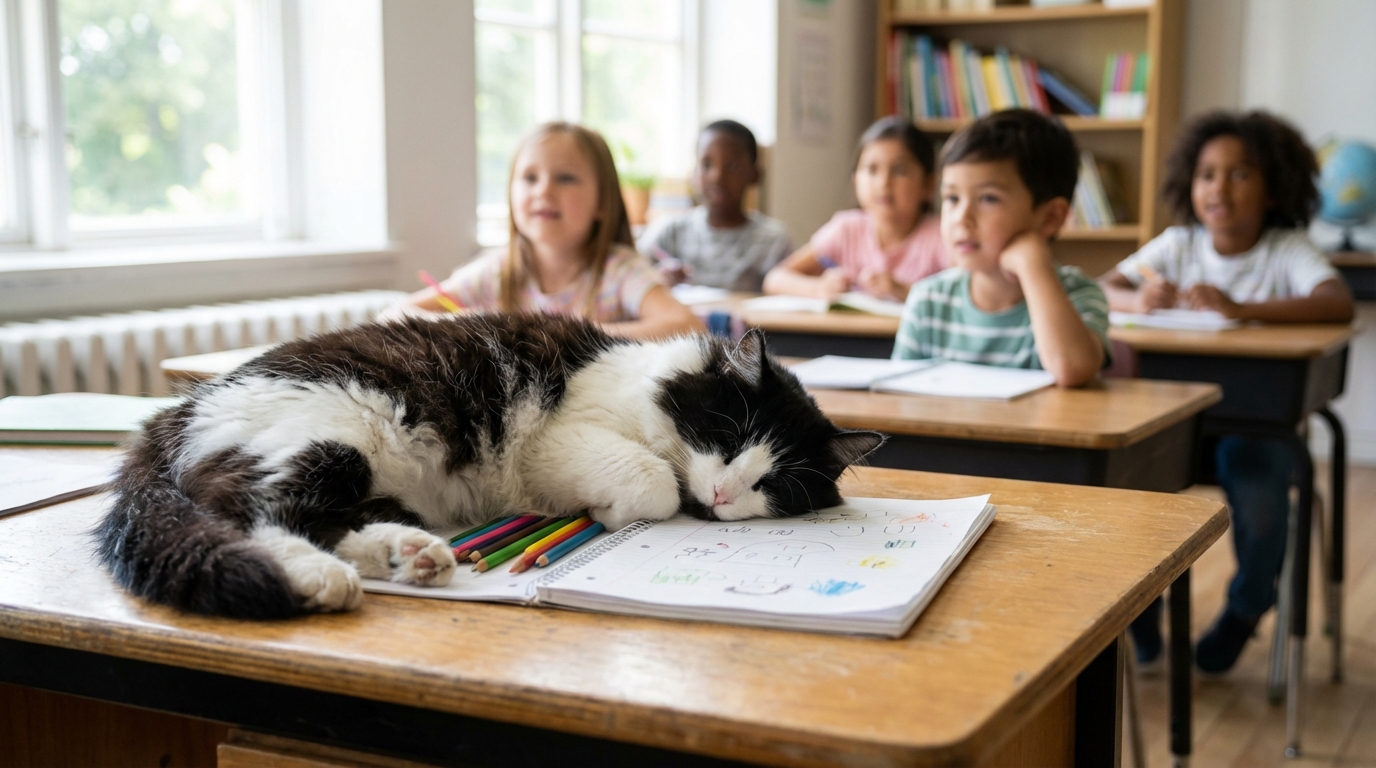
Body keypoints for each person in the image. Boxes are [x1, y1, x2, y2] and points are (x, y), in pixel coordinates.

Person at [1100, 110, 1354, 674]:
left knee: (1262, 512)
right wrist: (1136, 300)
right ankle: (1140, 611)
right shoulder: (1178, 245)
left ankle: (1245, 609)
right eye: (1207, 174)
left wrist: (1242, 308)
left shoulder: (1285, 249)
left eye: (1240, 174)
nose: (1220, 188)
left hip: (1256, 425)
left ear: (1273, 188)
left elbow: (1336, 301)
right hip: (1172, 422)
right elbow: (1104, 287)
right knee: (1124, 493)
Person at [390, 121, 704, 340]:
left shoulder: (618, 269)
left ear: (602, 202)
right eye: (530, 178)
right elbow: (395, 314)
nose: (543, 191)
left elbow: (687, 326)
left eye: (565, 178)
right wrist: (464, 326)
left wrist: (569, 337)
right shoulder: (498, 271)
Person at [892, 109, 1107, 389]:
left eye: (988, 199)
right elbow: (897, 397)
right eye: (952, 198)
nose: (961, 218)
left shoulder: (1079, 294)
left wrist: (1034, 267)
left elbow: (1071, 369)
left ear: (1051, 218)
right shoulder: (928, 301)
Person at [763, 116, 945, 302]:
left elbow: (962, 291)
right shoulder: (847, 229)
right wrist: (818, 288)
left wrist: (904, 290)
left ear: (929, 184)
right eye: (872, 170)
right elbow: (775, 279)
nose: (883, 182)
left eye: (899, 170)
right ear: (856, 180)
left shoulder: (940, 236)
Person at [637, 120, 791, 292]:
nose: (717, 177)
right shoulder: (670, 232)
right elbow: (629, 277)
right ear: (693, 172)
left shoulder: (773, 241)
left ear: (755, 174)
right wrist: (656, 277)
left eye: (732, 166)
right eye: (706, 165)